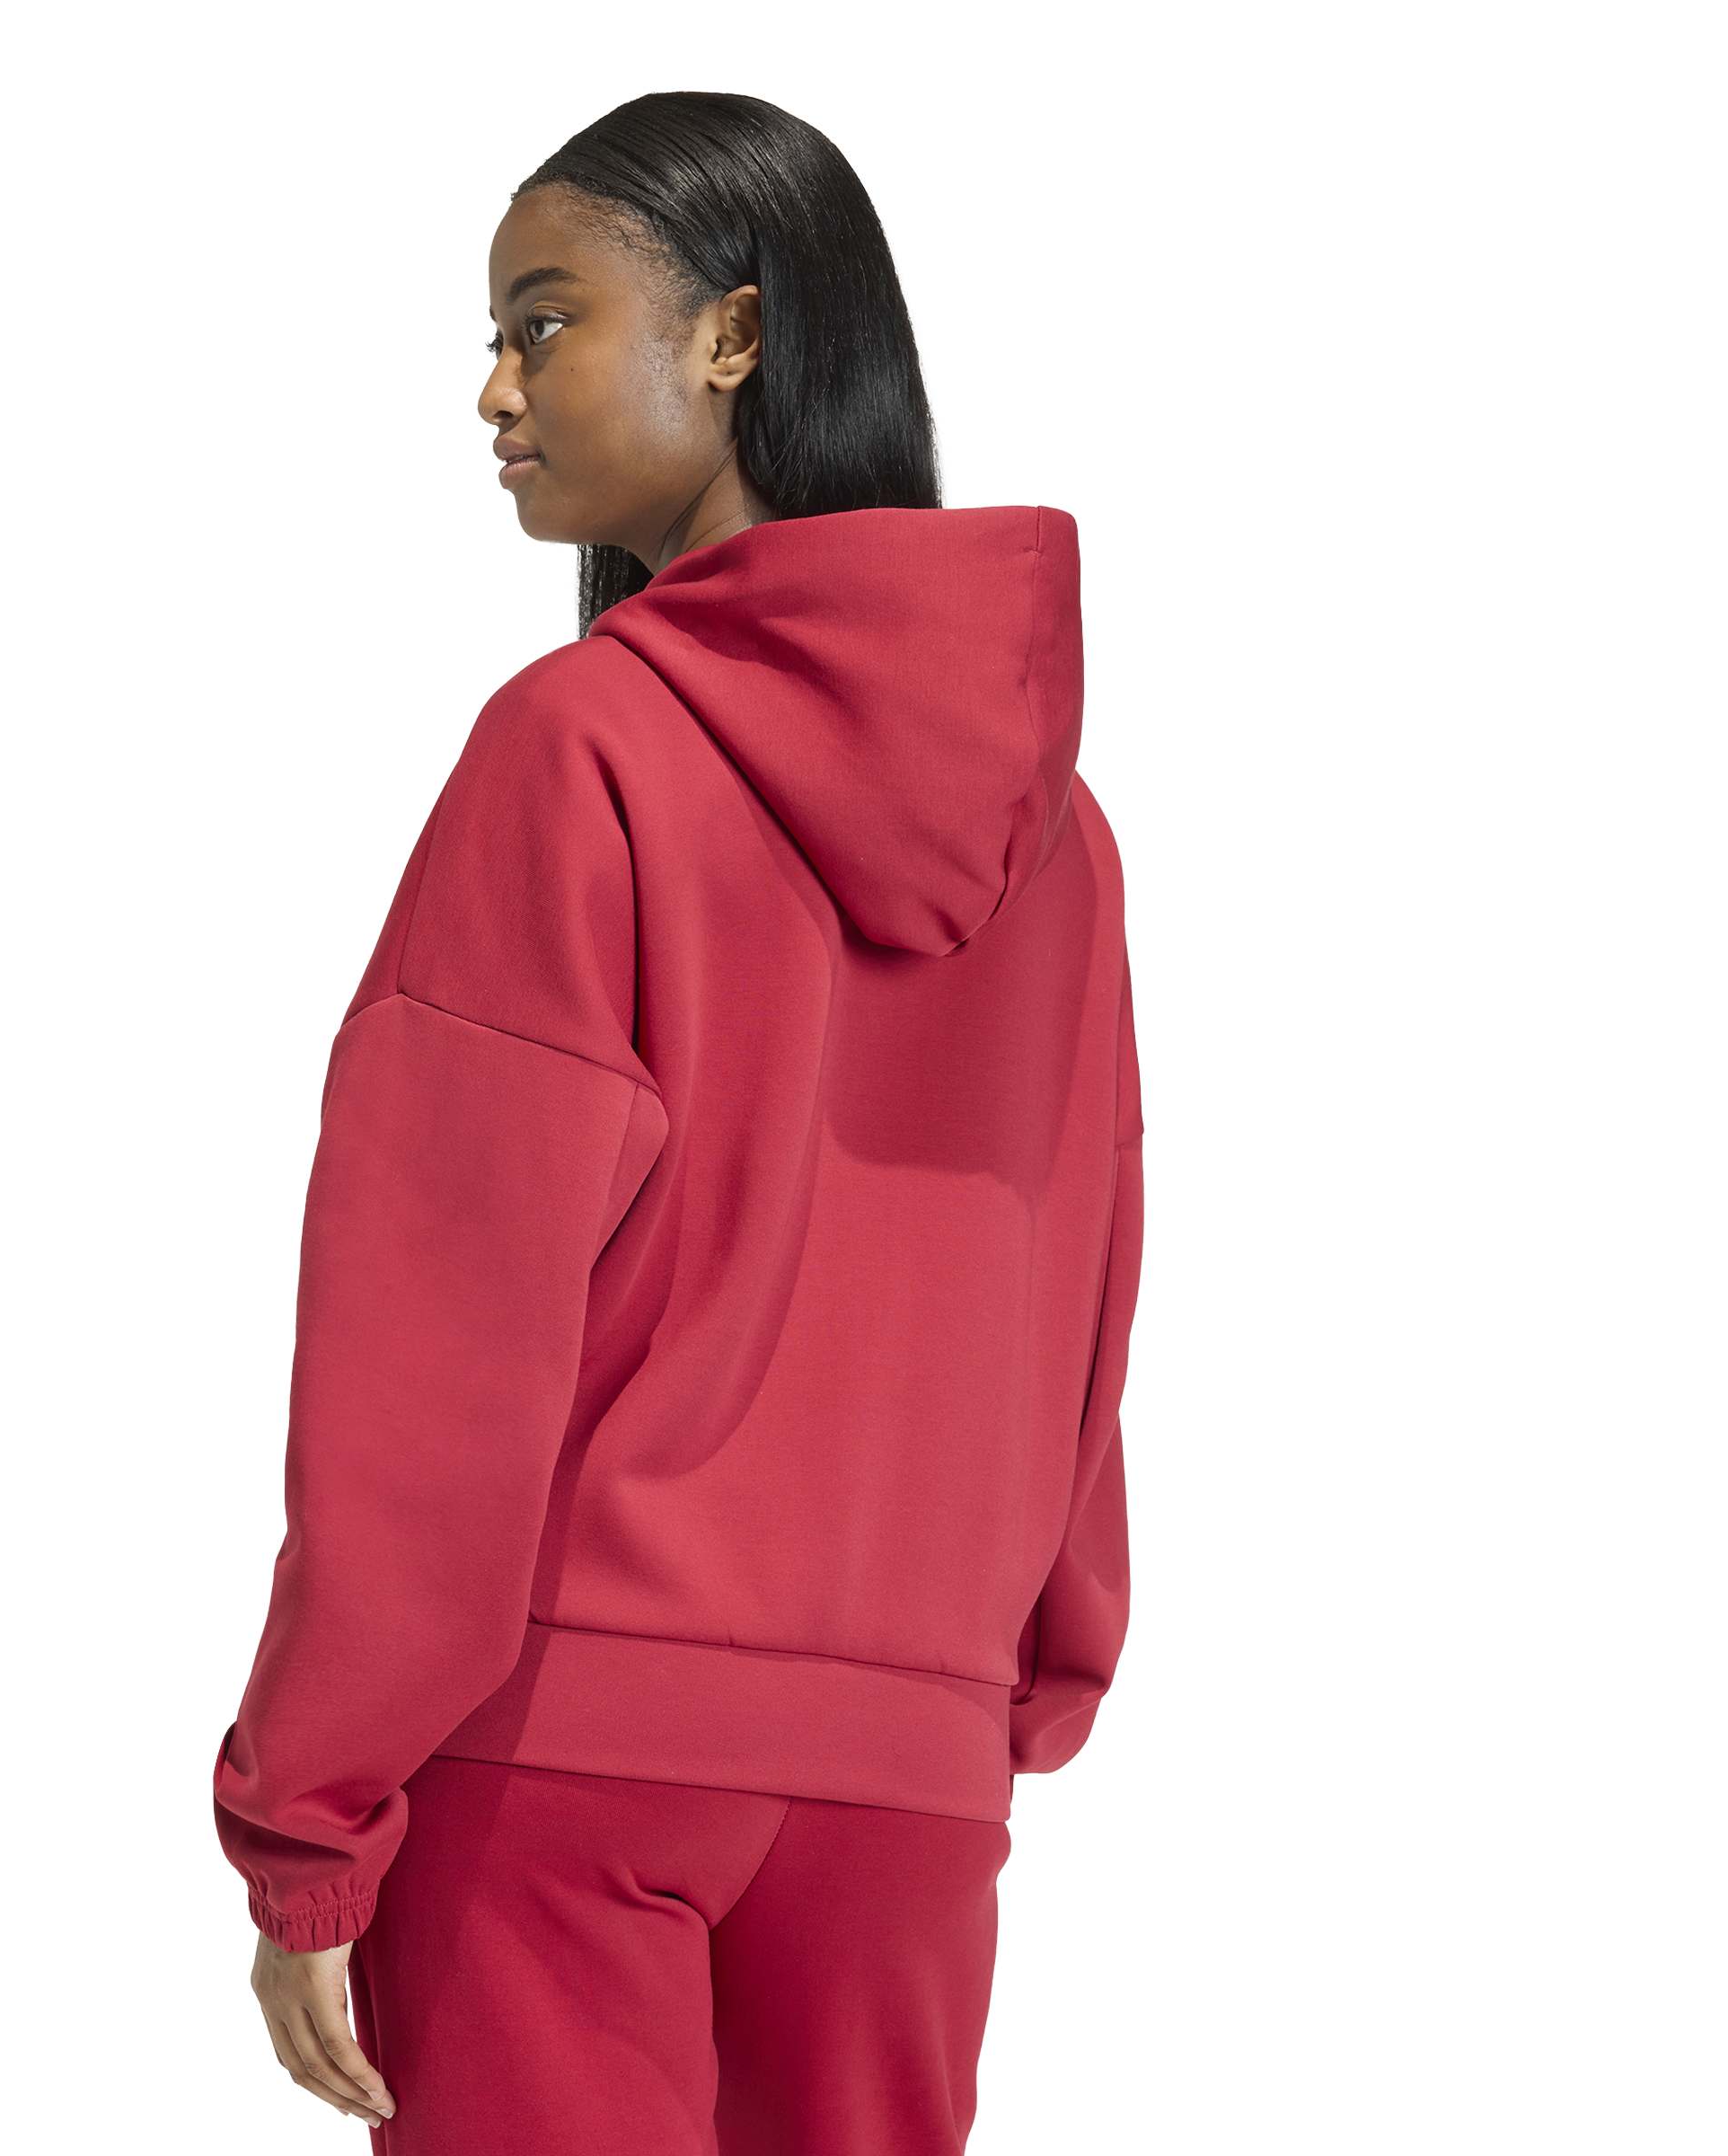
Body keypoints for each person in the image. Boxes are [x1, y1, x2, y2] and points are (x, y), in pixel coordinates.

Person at [212, 91, 1144, 2153]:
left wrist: (312, 1811)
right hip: (909, 1789)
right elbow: (1077, 1271)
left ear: (735, 333)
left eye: (542, 323)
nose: (493, 390)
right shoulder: (1057, 839)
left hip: (570, 1763)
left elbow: (437, 1329)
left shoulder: (578, 749)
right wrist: (1021, 1670)